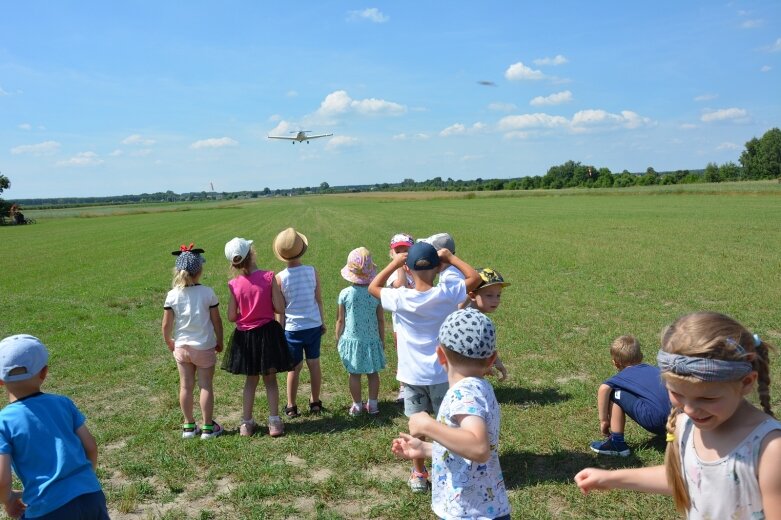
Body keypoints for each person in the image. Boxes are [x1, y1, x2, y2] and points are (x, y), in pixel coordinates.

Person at [575, 312, 781, 519]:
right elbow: (687, 477)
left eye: (707, 399)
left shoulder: (769, 448)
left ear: (746, 383)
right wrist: (612, 479)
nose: (690, 409)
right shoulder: (684, 424)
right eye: (676, 394)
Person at [369, 241, 481, 493]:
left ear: (408, 269)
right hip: (443, 374)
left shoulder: (400, 298)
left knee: (417, 427)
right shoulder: (446, 294)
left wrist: (395, 263)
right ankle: (454, 466)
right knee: (449, 427)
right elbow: (474, 278)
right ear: (438, 269)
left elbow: (373, 287)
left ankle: (418, 472)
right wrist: (451, 257)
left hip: (411, 376)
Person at [391, 309, 511, 520]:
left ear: (440, 355)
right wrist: (426, 448)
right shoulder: (480, 387)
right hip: (485, 508)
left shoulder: (464, 394)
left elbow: (479, 447)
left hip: (469, 512)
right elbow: (466, 449)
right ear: (491, 359)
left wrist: (427, 426)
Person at [0, 334, 109, 519]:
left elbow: (2, 480)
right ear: (44, 372)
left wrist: (8, 499)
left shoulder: (4, 421)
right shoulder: (63, 403)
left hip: (48, 509)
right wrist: (84, 480)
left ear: (1, 381)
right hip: (91, 496)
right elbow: (90, 446)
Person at [222, 237, 293, 437]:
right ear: (252, 253)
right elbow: (279, 307)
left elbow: (230, 316)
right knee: (270, 381)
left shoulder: (234, 284)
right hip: (267, 334)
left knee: (250, 381)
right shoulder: (268, 277)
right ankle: (274, 422)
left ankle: (246, 423)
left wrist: (244, 311)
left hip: (245, 337)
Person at [162, 243, 224, 439]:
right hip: (204, 347)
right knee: (205, 385)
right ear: (200, 271)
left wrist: (169, 342)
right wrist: (220, 340)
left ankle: (188, 427)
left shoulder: (172, 295)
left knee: (186, 386)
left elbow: (166, 325)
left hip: (182, 347)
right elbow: (216, 321)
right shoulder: (207, 292)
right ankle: (207, 428)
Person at [588, 335, 670, 457]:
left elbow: (603, 389)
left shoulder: (620, 378)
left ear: (615, 363)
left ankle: (617, 443)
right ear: (641, 357)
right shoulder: (654, 369)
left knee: (614, 392)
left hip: (655, 420)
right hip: (678, 418)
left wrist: (604, 421)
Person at [273, 228, 326, 417]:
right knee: (314, 364)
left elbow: (280, 310)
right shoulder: (312, 271)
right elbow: (318, 299)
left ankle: (291, 406)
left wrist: (279, 331)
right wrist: (322, 321)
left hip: (292, 330)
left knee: (293, 369)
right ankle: (315, 402)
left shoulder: (279, 278)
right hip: (313, 325)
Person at [335, 247, 386, 416]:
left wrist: (338, 337)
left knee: (354, 374)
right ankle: (373, 404)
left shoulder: (345, 294)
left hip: (352, 339)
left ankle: (357, 405)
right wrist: (382, 338)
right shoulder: (375, 294)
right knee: (373, 373)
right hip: (372, 339)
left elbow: (340, 320)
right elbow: (380, 319)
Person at [462, 267, 510, 381]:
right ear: (472, 296)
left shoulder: (466, 314)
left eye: (498, 295)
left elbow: (484, 345)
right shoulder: (473, 323)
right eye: (489, 295)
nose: (496, 300)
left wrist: (496, 361)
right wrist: (483, 366)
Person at [386, 233, 415, 403]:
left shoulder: (417, 271)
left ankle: (420, 386)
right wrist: (398, 266)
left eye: (407, 250)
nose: (403, 253)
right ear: (392, 254)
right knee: (404, 357)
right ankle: (404, 388)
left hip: (419, 322)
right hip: (402, 326)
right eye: (398, 250)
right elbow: (401, 286)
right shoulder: (393, 274)